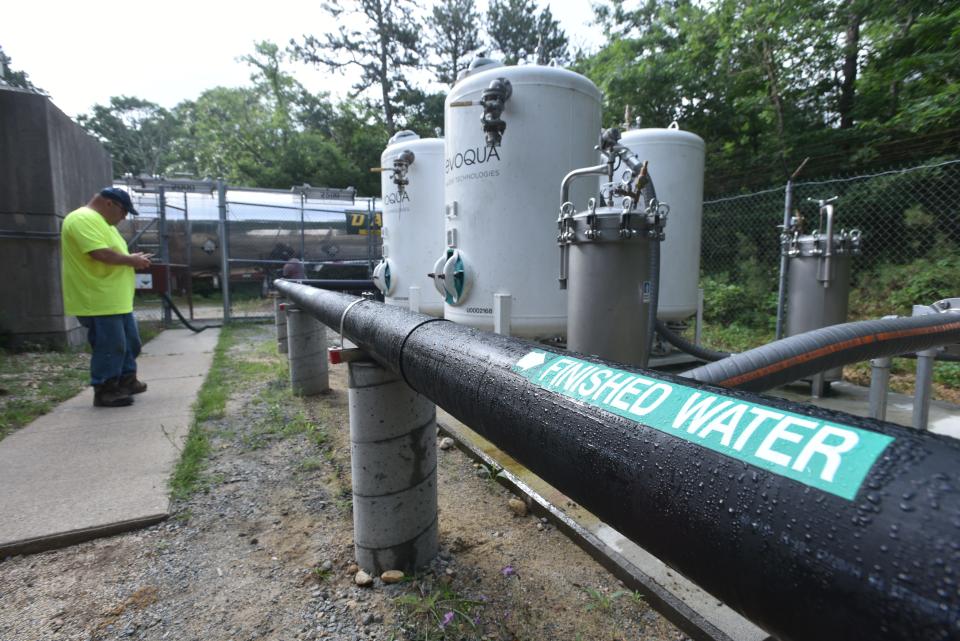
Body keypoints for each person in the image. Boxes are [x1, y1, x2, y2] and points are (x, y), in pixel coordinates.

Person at [60, 188, 153, 407]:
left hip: (115, 299)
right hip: (97, 299)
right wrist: (131, 261)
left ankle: (125, 380)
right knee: (111, 347)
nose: (124, 217)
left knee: (131, 344)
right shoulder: (82, 218)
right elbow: (98, 253)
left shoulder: (103, 223)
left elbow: (112, 254)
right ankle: (105, 389)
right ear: (110, 203)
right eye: (124, 211)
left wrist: (132, 258)